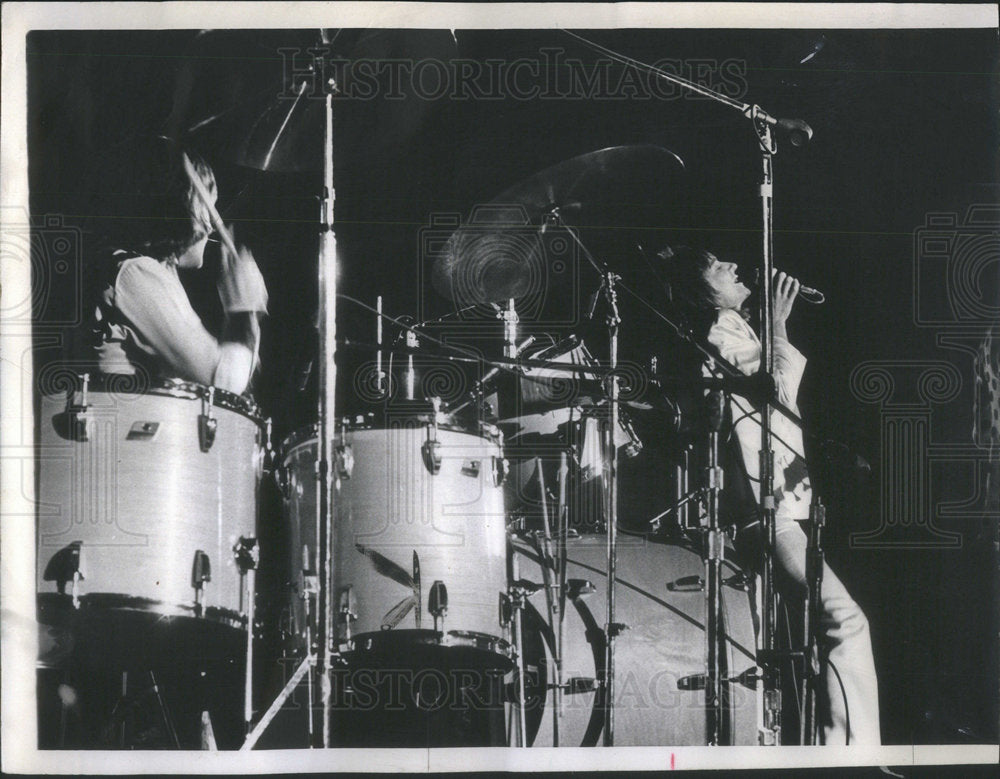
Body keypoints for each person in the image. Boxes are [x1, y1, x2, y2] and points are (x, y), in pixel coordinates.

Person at [660, 244, 881, 746]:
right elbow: (777, 392)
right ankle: (853, 753)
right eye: (718, 265)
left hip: (783, 510)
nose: (734, 266)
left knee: (822, 627)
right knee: (845, 620)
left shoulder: (734, 328)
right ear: (704, 290)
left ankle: (835, 745)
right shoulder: (719, 330)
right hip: (768, 517)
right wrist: (779, 321)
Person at [87, 136, 267, 394]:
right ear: (181, 207)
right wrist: (243, 309)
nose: (211, 226)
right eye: (208, 207)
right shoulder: (135, 274)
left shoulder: (142, 273)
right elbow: (223, 383)